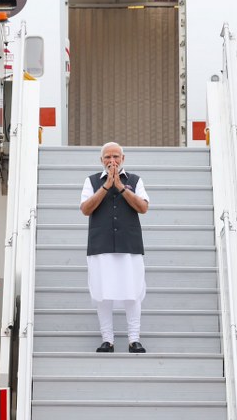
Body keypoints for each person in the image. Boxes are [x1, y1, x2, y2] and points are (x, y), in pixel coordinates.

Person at [80, 142, 150, 353]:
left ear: (123, 159)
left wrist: (120, 187)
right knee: (103, 292)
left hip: (129, 245)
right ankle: (107, 339)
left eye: (116, 156)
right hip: (101, 245)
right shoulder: (91, 181)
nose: (112, 161)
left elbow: (143, 207)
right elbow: (85, 209)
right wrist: (106, 187)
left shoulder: (135, 181)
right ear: (101, 160)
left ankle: (134, 339)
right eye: (108, 157)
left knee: (132, 291)